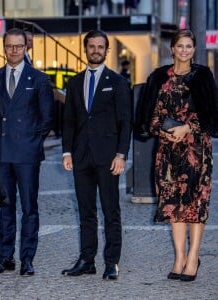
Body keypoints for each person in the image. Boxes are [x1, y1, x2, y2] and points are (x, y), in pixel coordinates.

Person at [137, 29, 218, 282]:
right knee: (174, 206)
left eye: (189, 46)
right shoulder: (158, 77)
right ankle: (179, 257)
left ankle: (193, 257)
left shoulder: (203, 76)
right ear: (172, 49)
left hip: (196, 150)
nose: (184, 50)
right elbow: (147, 114)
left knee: (195, 203)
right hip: (167, 150)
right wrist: (163, 130)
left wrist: (187, 128)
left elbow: (212, 113)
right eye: (180, 46)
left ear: (193, 50)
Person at [61, 29, 132, 280]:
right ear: (85, 48)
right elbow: (68, 121)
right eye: (91, 46)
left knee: (111, 211)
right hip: (81, 157)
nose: (96, 50)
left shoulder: (118, 82)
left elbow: (126, 121)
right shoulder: (75, 82)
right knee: (86, 211)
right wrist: (67, 152)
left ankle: (112, 262)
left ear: (107, 50)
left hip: (108, 157)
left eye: (100, 47)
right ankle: (87, 260)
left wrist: (121, 154)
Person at [0, 28, 54, 276]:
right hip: (2, 153)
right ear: (3, 47)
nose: (14, 50)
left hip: (27, 154)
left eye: (18, 46)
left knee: (29, 207)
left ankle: (27, 258)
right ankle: (5, 258)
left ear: (26, 48)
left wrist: (33, 143)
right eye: (9, 46)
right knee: (6, 207)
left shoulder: (39, 79)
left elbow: (47, 119)